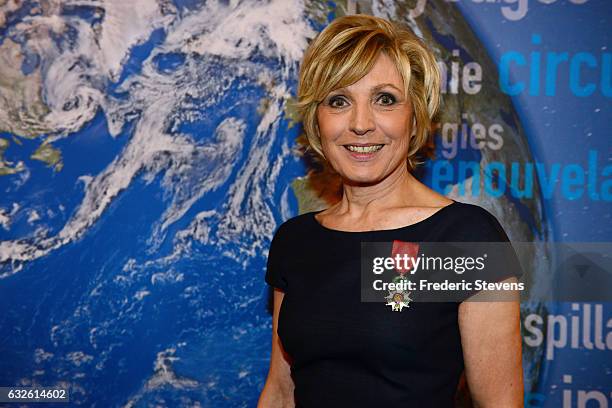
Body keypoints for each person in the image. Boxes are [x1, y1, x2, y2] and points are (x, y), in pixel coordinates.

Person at [258, 14, 523, 408]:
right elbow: (281, 392)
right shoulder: (294, 241)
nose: (361, 124)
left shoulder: (466, 238)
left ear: (414, 116)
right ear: (317, 119)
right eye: (339, 101)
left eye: (384, 99)